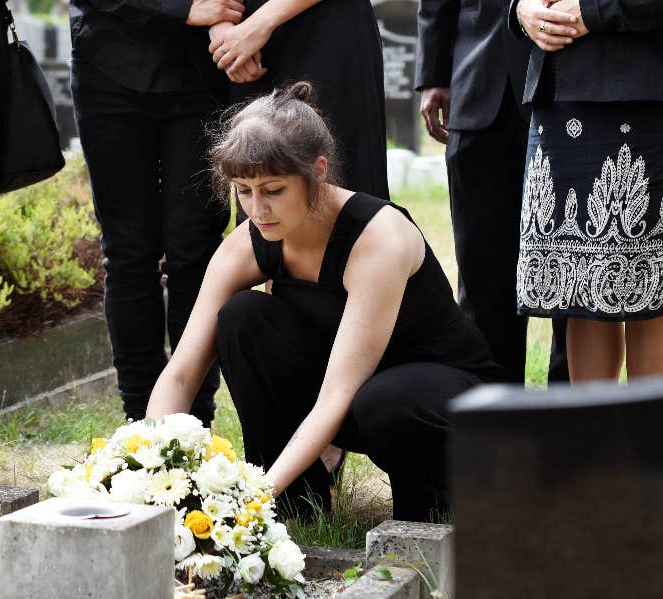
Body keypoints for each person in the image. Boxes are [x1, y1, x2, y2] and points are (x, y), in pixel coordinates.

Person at [147, 84, 503, 522]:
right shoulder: (247, 243)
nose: (257, 209)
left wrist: (248, 501)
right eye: (243, 190)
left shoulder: (379, 238)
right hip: (357, 399)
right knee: (243, 318)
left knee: (385, 399)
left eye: (273, 190)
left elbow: (338, 394)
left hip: (440, 406)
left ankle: (436, 513)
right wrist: (146, 468)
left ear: (317, 172)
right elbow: (182, 371)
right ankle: (295, 509)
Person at [510, 0, 663, 381]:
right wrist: (521, 9)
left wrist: (594, 10)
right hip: (559, 92)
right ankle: (594, 437)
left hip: (647, 90)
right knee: (578, 286)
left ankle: (649, 437)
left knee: (653, 287)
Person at [69, 0, 242, 426]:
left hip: (202, 70)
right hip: (108, 63)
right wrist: (181, 8)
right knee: (128, 253)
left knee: (194, 252)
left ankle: (194, 423)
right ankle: (140, 425)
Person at [416, 0, 569, 383]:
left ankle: (570, 415)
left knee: (574, 271)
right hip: (479, 80)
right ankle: (496, 420)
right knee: (482, 274)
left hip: (572, 82)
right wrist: (434, 72)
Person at [205, 0, 389, 199]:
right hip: (241, 39)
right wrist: (219, 22)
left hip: (323, 27)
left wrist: (258, 25)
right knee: (255, 176)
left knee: (341, 180)